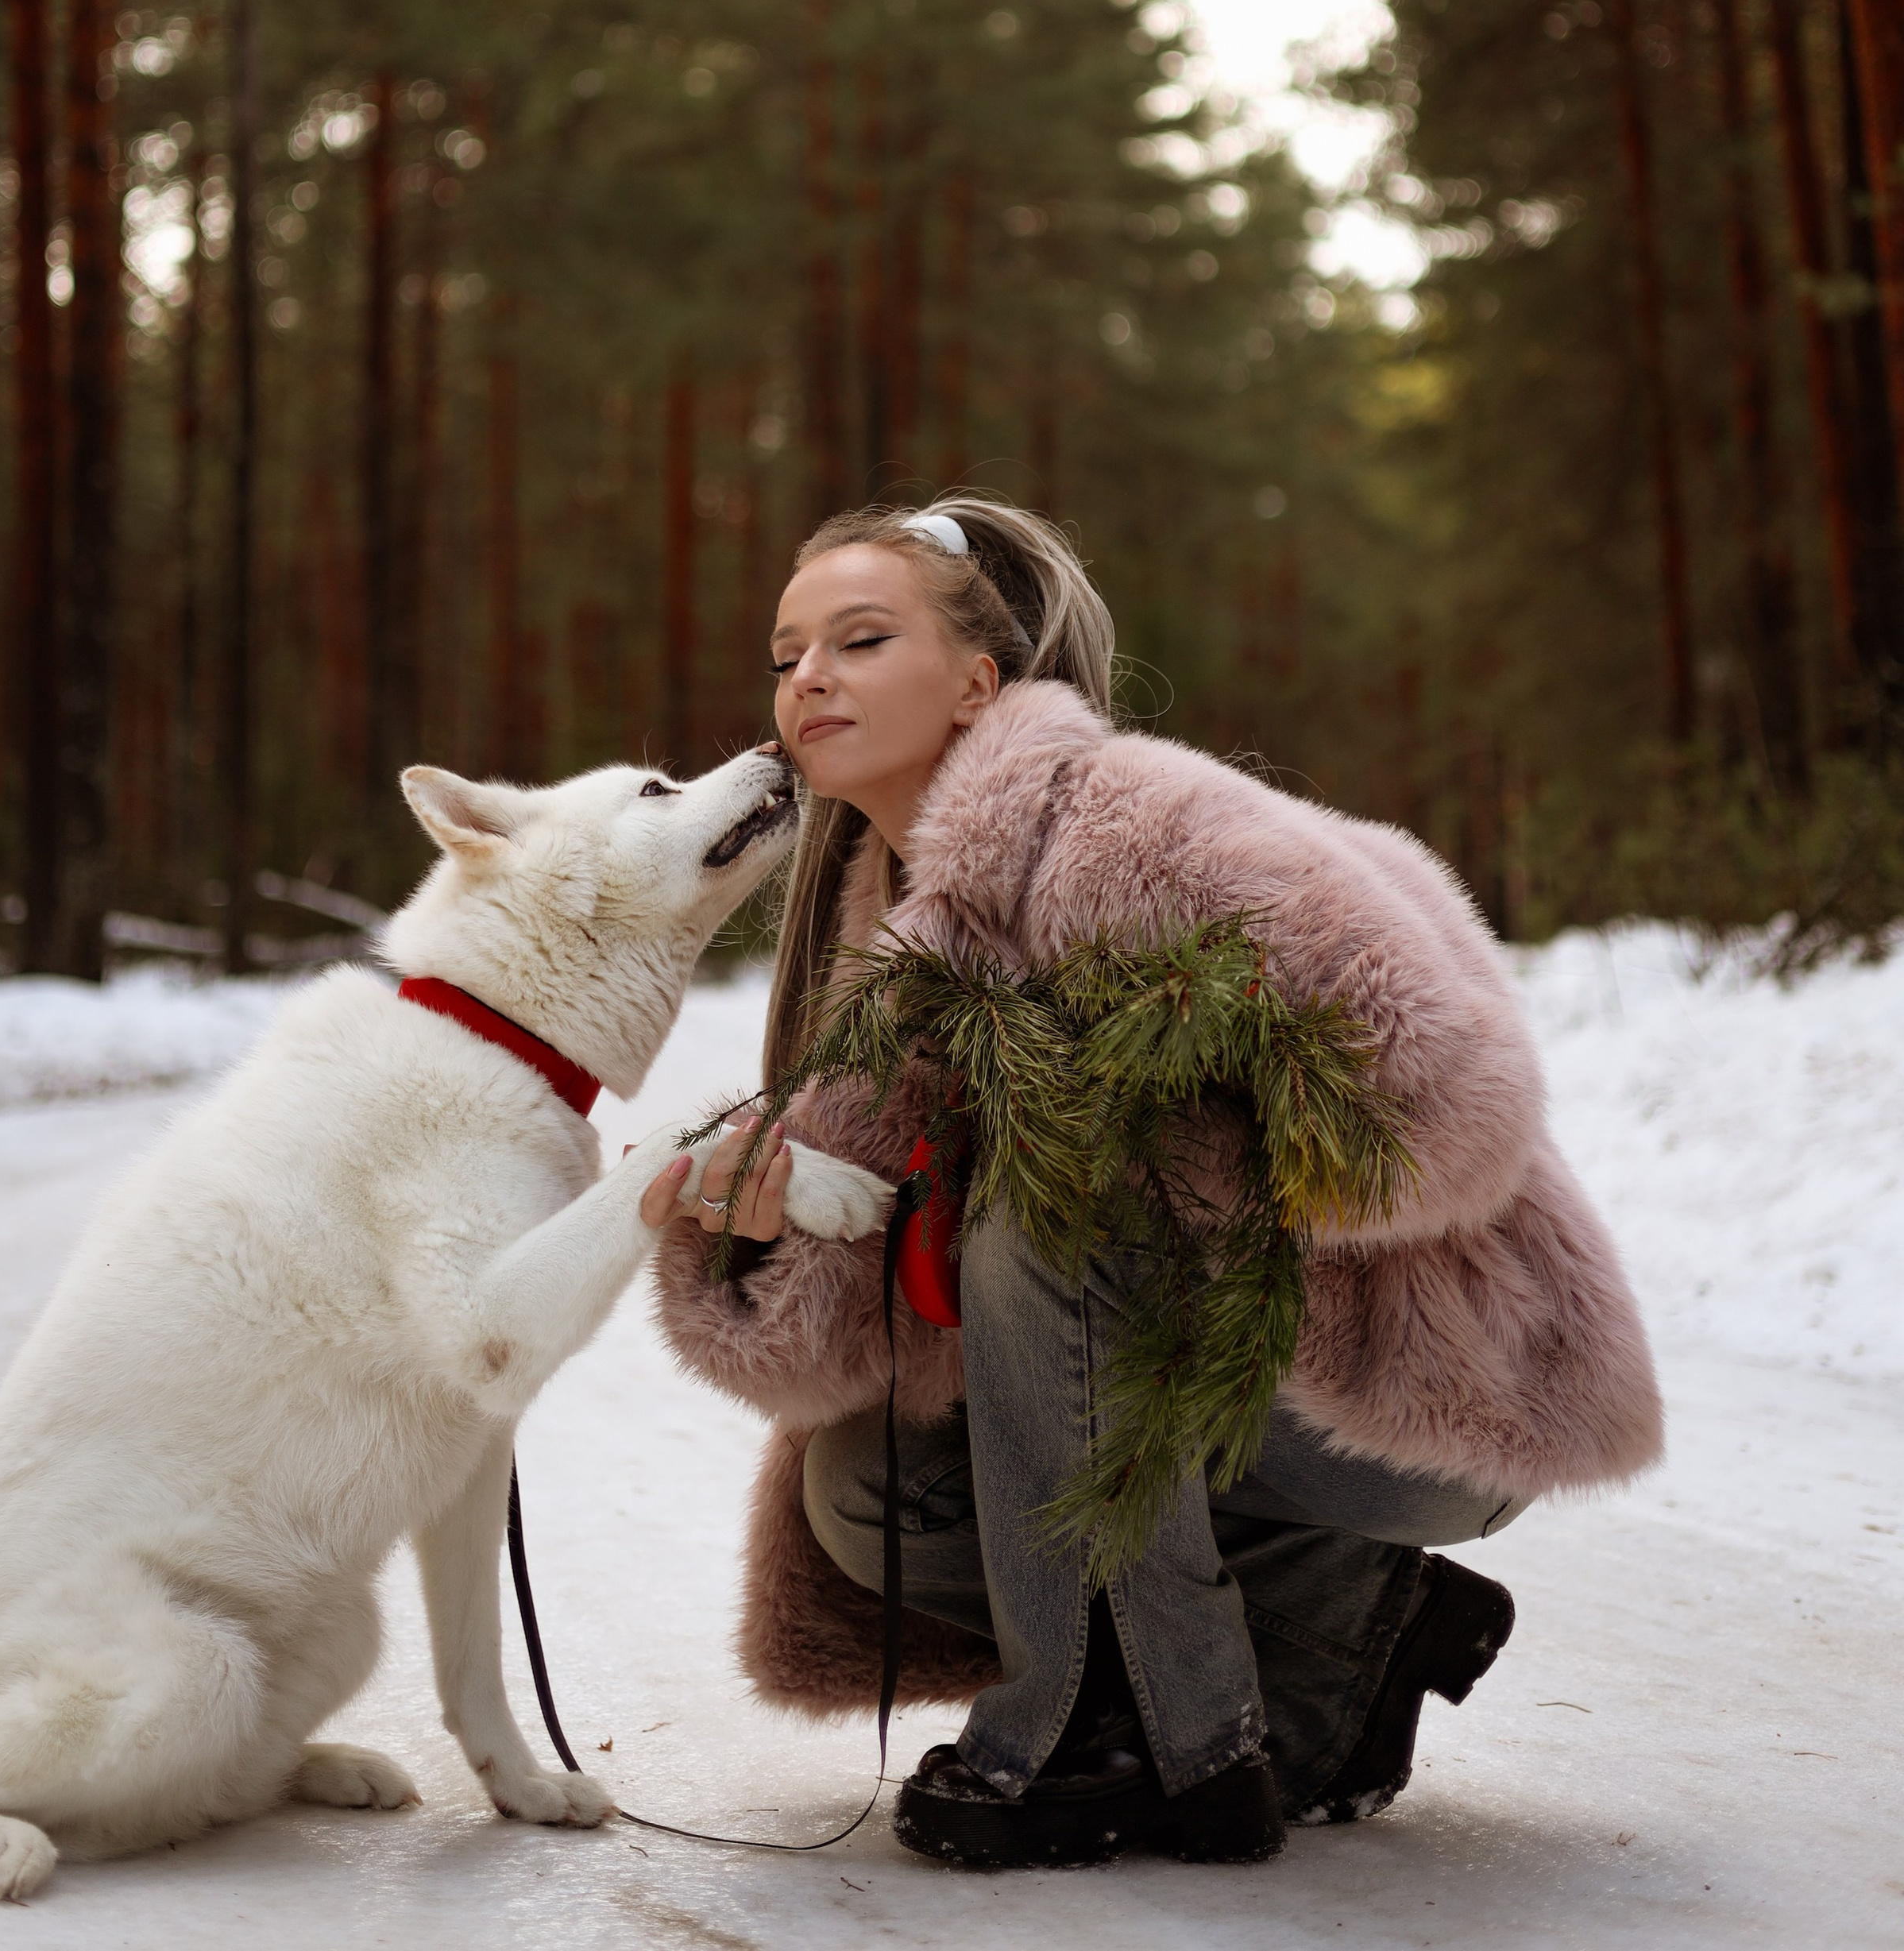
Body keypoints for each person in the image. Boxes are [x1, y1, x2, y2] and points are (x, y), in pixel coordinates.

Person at [643, 496, 1661, 1869]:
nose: (807, 675)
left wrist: (1146, 1128)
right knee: (866, 1495)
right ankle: (1340, 1641)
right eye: (786, 651)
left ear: (980, 680)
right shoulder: (898, 918)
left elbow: (1452, 1087)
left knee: (1058, 1201)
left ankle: (1102, 1730)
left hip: (1414, 1384)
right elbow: (859, 1327)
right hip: (1159, 1393)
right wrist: (754, 1230)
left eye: (861, 638)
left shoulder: (1127, 822)